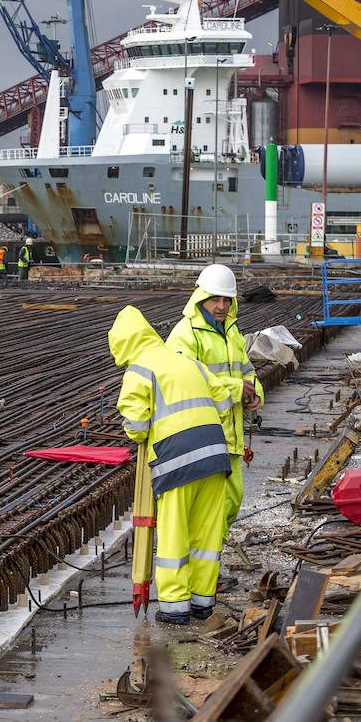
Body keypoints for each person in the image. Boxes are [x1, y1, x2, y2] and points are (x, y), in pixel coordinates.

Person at [111, 304, 233, 624]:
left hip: (177, 457)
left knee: (173, 534)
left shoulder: (140, 369)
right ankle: (202, 602)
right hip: (215, 452)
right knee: (205, 534)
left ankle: (175, 607)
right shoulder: (187, 360)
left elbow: (136, 426)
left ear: (123, 345)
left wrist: (148, 430)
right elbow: (222, 401)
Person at [166, 264, 263, 543]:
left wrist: (254, 394)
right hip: (202, 436)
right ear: (201, 297)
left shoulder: (230, 331)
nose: (221, 306)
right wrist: (235, 389)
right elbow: (185, 381)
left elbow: (247, 371)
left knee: (231, 503)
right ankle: (205, 571)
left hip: (230, 435)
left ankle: (208, 564)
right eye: (215, 299)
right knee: (211, 511)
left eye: (226, 300)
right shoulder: (186, 335)